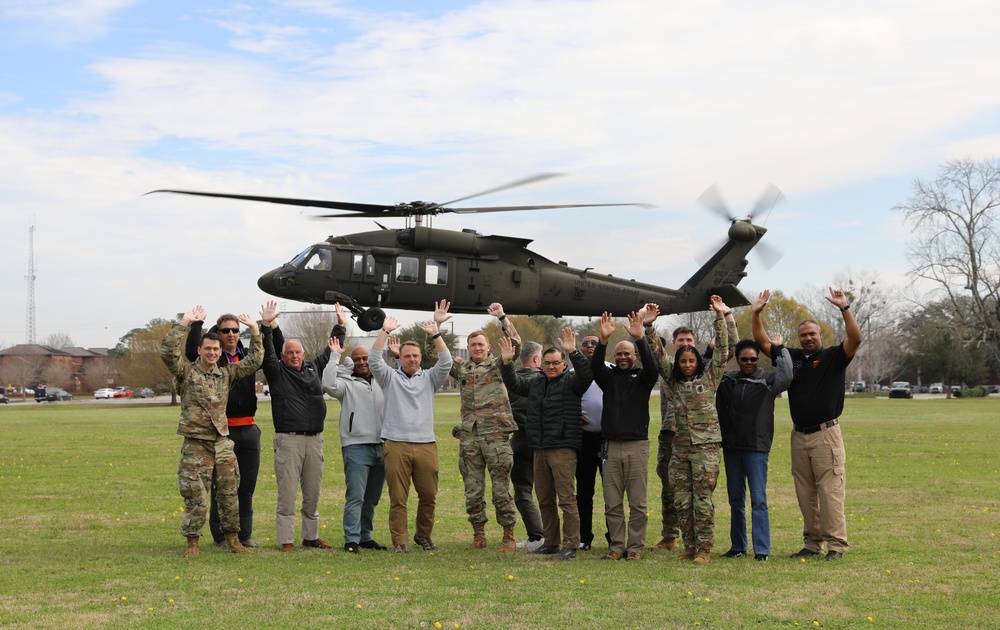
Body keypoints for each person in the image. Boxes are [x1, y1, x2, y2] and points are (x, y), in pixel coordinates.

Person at [752, 288, 861, 561]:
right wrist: (756, 314)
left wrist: (844, 308)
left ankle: (836, 544)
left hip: (826, 434)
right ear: (798, 339)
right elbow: (763, 342)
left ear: (820, 336)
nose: (808, 338)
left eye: (812, 334)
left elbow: (855, 338)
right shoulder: (794, 358)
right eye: (803, 335)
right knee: (805, 493)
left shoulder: (834, 357)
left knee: (830, 492)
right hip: (799, 436)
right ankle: (812, 544)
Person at [160, 305, 262, 557]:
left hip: (222, 443)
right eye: (208, 348)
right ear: (200, 350)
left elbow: (255, 360)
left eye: (216, 349)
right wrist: (184, 323)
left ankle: (233, 540)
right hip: (196, 444)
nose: (213, 352)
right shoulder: (186, 372)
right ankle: (192, 542)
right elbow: (168, 353)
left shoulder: (226, 374)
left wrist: (255, 330)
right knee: (196, 496)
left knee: (229, 494)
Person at [645, 297, 735, 564]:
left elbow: (722, 351)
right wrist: (649, 328)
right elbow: (659, 357)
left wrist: (720, 317)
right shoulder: (672, 381)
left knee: (702, 501)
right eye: (682, 361)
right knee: (683, 501)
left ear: (697, 362)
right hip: (680, 448)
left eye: (690, 360)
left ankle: (704, 549)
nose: (686, 364)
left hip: (705, 449)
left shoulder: (709, 379)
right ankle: (689, 546)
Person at [183, 310, 283, 550]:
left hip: (248, 428)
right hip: (222, 432)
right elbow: (190, 352)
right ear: (217, 335)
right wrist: (196, 324)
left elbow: (272, 353)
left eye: (235, 330)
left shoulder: (246, 357)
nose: (230, 334)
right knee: (222, 487)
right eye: (225, 330)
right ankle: (220, 538)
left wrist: (268, 327)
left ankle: (244, 535)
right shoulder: (213, 360)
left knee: (246, 487)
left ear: (241, 334)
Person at [499, 328, 593, 561]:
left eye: (556, 363)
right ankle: (551, 542)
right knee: (545, 498)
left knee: (567, 499)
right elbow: (513, 383)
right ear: (541, 365)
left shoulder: (572, 383)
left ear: (563, 365)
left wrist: (574, 352)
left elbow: (587, 376)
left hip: (562, 448)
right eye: (548, 363)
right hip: (539, 448)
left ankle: (570, 544)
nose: (551, 367)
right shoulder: (536, 384)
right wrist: (507, 362)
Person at [368, 300, 453, 553]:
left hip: (425, 444)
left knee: (428, 496)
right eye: (407, 356)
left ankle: (423, 536)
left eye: (416, 356)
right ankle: (400, 541)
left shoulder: (429, 378)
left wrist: (436, 332)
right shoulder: (389, 378)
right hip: (396, 444)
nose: (412, 359)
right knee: (398, 499)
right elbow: (374, 359)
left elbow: (446, 362)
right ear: (400, 358)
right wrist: (385, 331)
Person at [260, 301, 334, 552]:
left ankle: (311, 537)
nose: (294, 356)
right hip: (289, 440)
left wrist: (341, 325)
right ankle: (286, 540)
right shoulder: (277, 372)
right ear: (283, 356)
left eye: (297, 352)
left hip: (314, 440)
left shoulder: (314, 368)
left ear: (303, 354)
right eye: (289, 352)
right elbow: (268, 352)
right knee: (288, 493)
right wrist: (266, 326)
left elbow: (331, 350)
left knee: (313, 492)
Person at [449, 303, 519, 552]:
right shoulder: (462, 368)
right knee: (473, 491)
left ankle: (508, 535)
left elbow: (516, 344)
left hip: (496, 438)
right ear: (468, 349)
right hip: (470, 438)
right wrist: (435, 328)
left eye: (481, 344)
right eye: (473, 345)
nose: (477, 348)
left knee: (501, 490)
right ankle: (479, 536)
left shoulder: (499, 365)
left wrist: (502, 317)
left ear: (488, 347)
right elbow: (437, 356)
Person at [716, 336, 792, 561]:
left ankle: (762, 549)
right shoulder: (727, 380)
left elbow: (787, 375)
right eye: (744, 359)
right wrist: (715, 349)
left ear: (758, 359)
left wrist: (778, 349)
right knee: (735, 500)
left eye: (753, 359)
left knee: (758, 500)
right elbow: (706, 369)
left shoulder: (768, 381)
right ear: (737, 360)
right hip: (731, 448)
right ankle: (738, 546)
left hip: (756, 449)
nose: (749, 363)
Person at [591, 310, 659, 561]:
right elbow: (596, 366)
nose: (622, 358)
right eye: (618, 354)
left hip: (636, 446)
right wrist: (603, 339)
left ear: (633, 357)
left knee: (638, 503)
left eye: (626, 354)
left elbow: (653, 367)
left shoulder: (643, 377)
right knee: (612, 502)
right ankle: (617, 546)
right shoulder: (607, 378)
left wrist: (640, 338)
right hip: (610, 446)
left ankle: (635, 548)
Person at [321, 303, 388, 553]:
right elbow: (327, 384)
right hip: (356, 447)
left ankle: (365, 535)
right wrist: (336, 357)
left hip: (382, 446)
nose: (361, 361)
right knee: (356, 497)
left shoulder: (383, 381)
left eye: (365, 358)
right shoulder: (345, 385)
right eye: (357, 358)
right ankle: (351, 539)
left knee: (371, 498)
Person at [650, 326, 708, 552]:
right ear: (674, 343)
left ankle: (696, 540)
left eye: (690, 339)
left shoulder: (702, 370)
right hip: (670, 434)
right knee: (668, 487)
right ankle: (669, 536)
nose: (686, 341)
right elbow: (655, 353)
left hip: (696, 436)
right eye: (681, 339)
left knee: (697, 491)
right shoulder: (668, 370)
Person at [506, 339, 546, 550]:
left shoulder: (510, 382)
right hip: (543, 439)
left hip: (519, 439)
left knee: (523, 490)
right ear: (537, 359)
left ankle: (536, 535)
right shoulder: (544, 379)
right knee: (550, 490)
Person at [576, 332, 607, 552]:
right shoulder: (572, 372)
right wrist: (573, 413)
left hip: (607, 438)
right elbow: (564, 399)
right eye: (585, 344)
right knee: (584, 491)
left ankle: (613, 536)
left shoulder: (611, 369)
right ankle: (584, 537)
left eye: (594, 343)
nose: (589, 346)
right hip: (583, 438)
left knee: (611, 491)